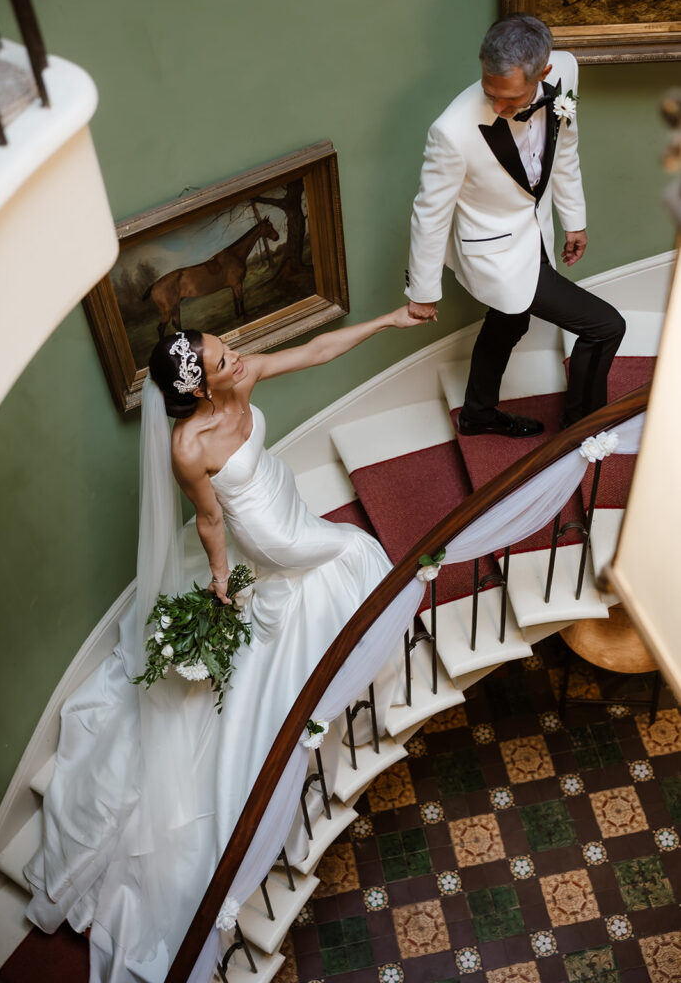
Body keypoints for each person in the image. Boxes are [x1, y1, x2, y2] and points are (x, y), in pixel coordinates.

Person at [25, 307, 421, 983]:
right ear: (200, 390)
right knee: (351, 552)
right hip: (271, 534)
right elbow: (210, 517)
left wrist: (390, 320)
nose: (236, 357)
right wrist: (217, 577)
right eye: (220, 360)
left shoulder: (241, 381)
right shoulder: (188, 447)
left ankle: (338, 670)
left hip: (280, 494)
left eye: (225, 346)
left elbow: (317, 349)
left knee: (348, 561)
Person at [404, 13, 625, 435]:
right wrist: (424, 293)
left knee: (510, 320)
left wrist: (573, 220)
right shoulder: (451, 132)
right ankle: (583, 425)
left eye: (512, 98)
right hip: (496, 251)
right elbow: (429, 214)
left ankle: (477, 414)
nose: (500, 107)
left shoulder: (564, 71)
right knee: (607, 326)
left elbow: (565, 149)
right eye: (491, 93)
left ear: (543, 72)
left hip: (536, 229)